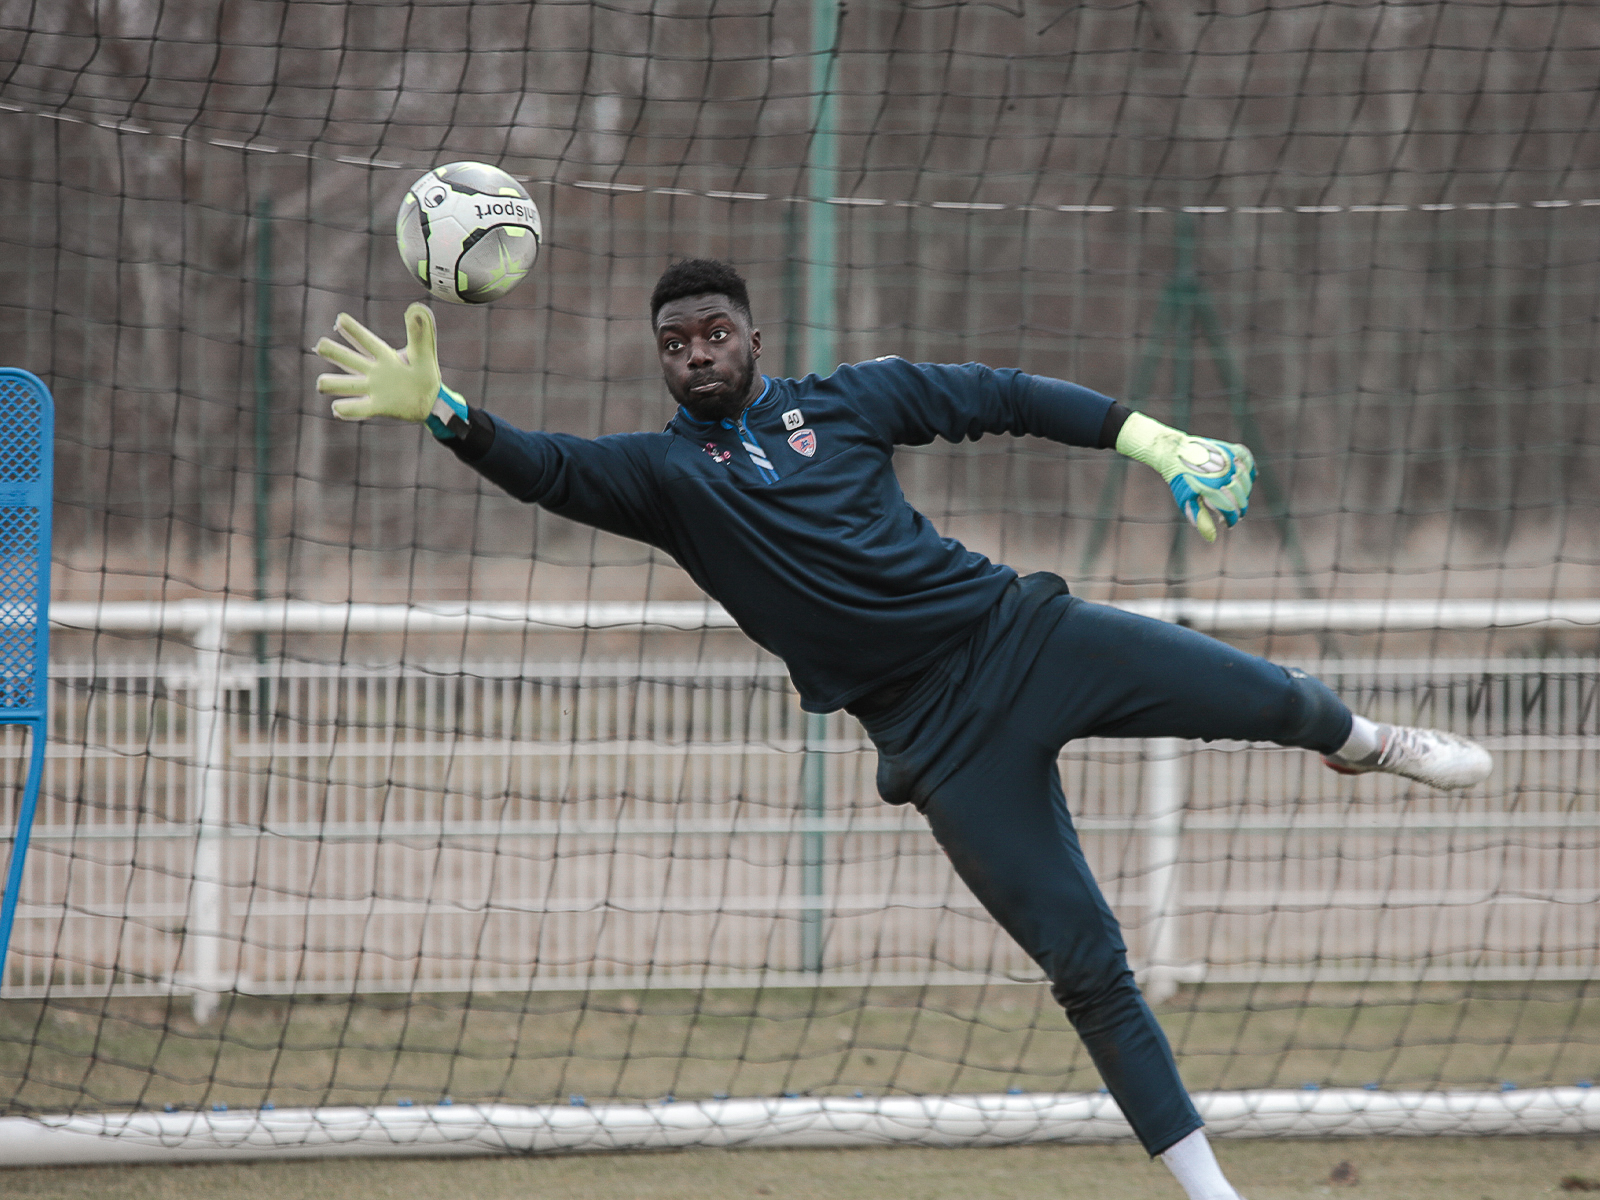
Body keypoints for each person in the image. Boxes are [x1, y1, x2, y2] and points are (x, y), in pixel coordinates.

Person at [314, 258, 1491, 1200]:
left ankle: (1369, 744)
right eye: (674, 344)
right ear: (662, 362)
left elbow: (999, 396)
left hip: (1027, 639)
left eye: (713, 332)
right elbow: (548, 469)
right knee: (1086, 966)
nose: (696, 354)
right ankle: (1212, 1192)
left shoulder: (847, 402)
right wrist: (450, 415)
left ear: (753, 336)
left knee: (1275, 701)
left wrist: (1150, 439)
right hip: (940, 745)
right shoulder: (665, 479)